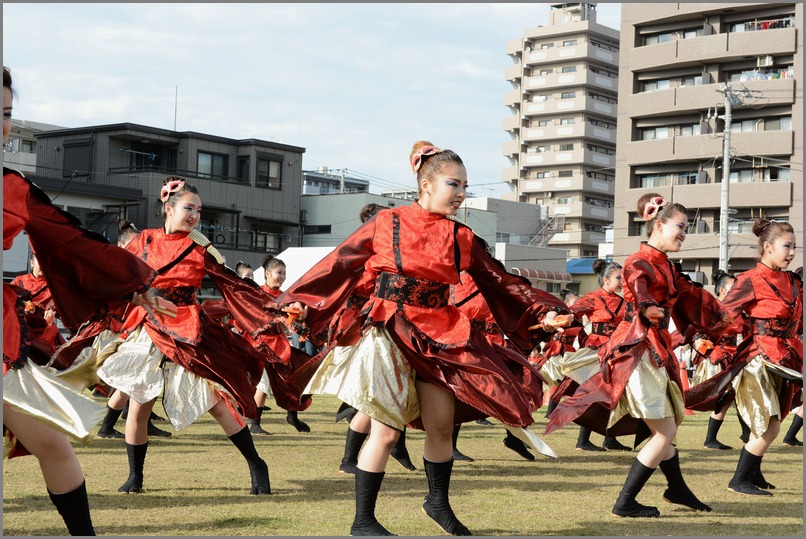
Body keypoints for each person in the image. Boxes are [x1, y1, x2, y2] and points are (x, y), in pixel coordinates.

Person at [279, 140, 569, 536]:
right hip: (389, 329)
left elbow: (500, 281)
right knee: (385, 429)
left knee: (442, 425)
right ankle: (363, 521)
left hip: (441, 332)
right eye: (455, 184)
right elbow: (339, 263)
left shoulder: (461, 237)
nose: (463, 194)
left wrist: (542, 311)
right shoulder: (387, 222)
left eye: (466, 186)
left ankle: (437, 502)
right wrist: (299, 302)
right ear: (426, 184)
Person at [3, 65, 158, 535]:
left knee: (52, 442)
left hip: (1, 342)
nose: (2, 124)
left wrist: (134, 281)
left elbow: (73, 241)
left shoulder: (11, 187)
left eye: (6, 112)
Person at [546, 193, 730, 518]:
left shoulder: (669, 268)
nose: (685, 233)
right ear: (659, 225)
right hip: (637, 350)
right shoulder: (638, 261)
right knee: (666, 430)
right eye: (680, 226)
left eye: (687, 227)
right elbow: (638, 288)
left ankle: (676, 488)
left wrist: (722, 313)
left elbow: (695, 296)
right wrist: (647, 307)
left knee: (668, 426)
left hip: (655, 350)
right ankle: (625, 501)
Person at [96, 176, 277, 495]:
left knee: (216, 403)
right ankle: (135, 476)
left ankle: (256, 464)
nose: (194, 215)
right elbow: (121, 277)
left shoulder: (200, 244)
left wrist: (269, 306)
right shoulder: (144, 241)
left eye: (199, 210)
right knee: (139, 405)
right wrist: (137, 295)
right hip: (148, 328)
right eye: (188, 208)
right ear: (168, 208)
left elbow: (231, 281)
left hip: (186, 328)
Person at [686, 219, 802, 496]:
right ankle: (739, 479)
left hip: (788, 360)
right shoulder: (750, 279)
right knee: (769, 424)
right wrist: (696, 336)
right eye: (787, 246)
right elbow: (721, 315)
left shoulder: (793, 281)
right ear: (767, 247)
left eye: (795, 247)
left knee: (775, 419)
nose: (792, 253)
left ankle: (753, 474)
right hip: (759, 359)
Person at [336, 203, 417, 474]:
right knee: (375, 401)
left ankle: (370, 453)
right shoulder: (364, 255)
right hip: (368, 329)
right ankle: (351, 459)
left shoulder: (392, 254)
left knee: (388, 398)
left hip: (394, 327)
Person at [96, 220, 171, 440]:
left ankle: (126, 423)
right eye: (135, 244)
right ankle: (112, 425)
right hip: (119, 329)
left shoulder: (141, 270)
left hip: (137, 326)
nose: (141, 249)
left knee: (139, 377)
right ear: (121, 246)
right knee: (134, 377)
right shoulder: (115, 268)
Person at [553, 260, 632, 452]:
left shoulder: (624, 302)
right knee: (593, 393)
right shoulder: (593, 298)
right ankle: (583, 440)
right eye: (618, 278)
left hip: (616, 351)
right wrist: (568, 316)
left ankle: (610, 438)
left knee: (616, 394)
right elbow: (575, 310)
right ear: (605, 279)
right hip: (595, 352)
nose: (622, 281)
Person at [687, 269, 745, 451]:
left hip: (733, 356)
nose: (737, 292)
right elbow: (694, 330)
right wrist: (704, 346)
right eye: (732, 288)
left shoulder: (738, 311)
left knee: (733, 396)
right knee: (725, 397)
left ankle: (743, 433)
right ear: (721, 291)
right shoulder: (710, 308)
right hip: (716, 357)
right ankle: (713, 438)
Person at [259, 255, 312, 434]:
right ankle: (255, 424)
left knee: (299, 374)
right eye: (279, 272)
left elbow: (298, 312)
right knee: (263, 382)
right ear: (267, 273)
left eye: (284, 273)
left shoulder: (286, 295)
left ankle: (293, 416)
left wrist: (301, 313)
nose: (282, 276)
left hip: (282, 345)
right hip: (262, 344)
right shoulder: (257, 293)